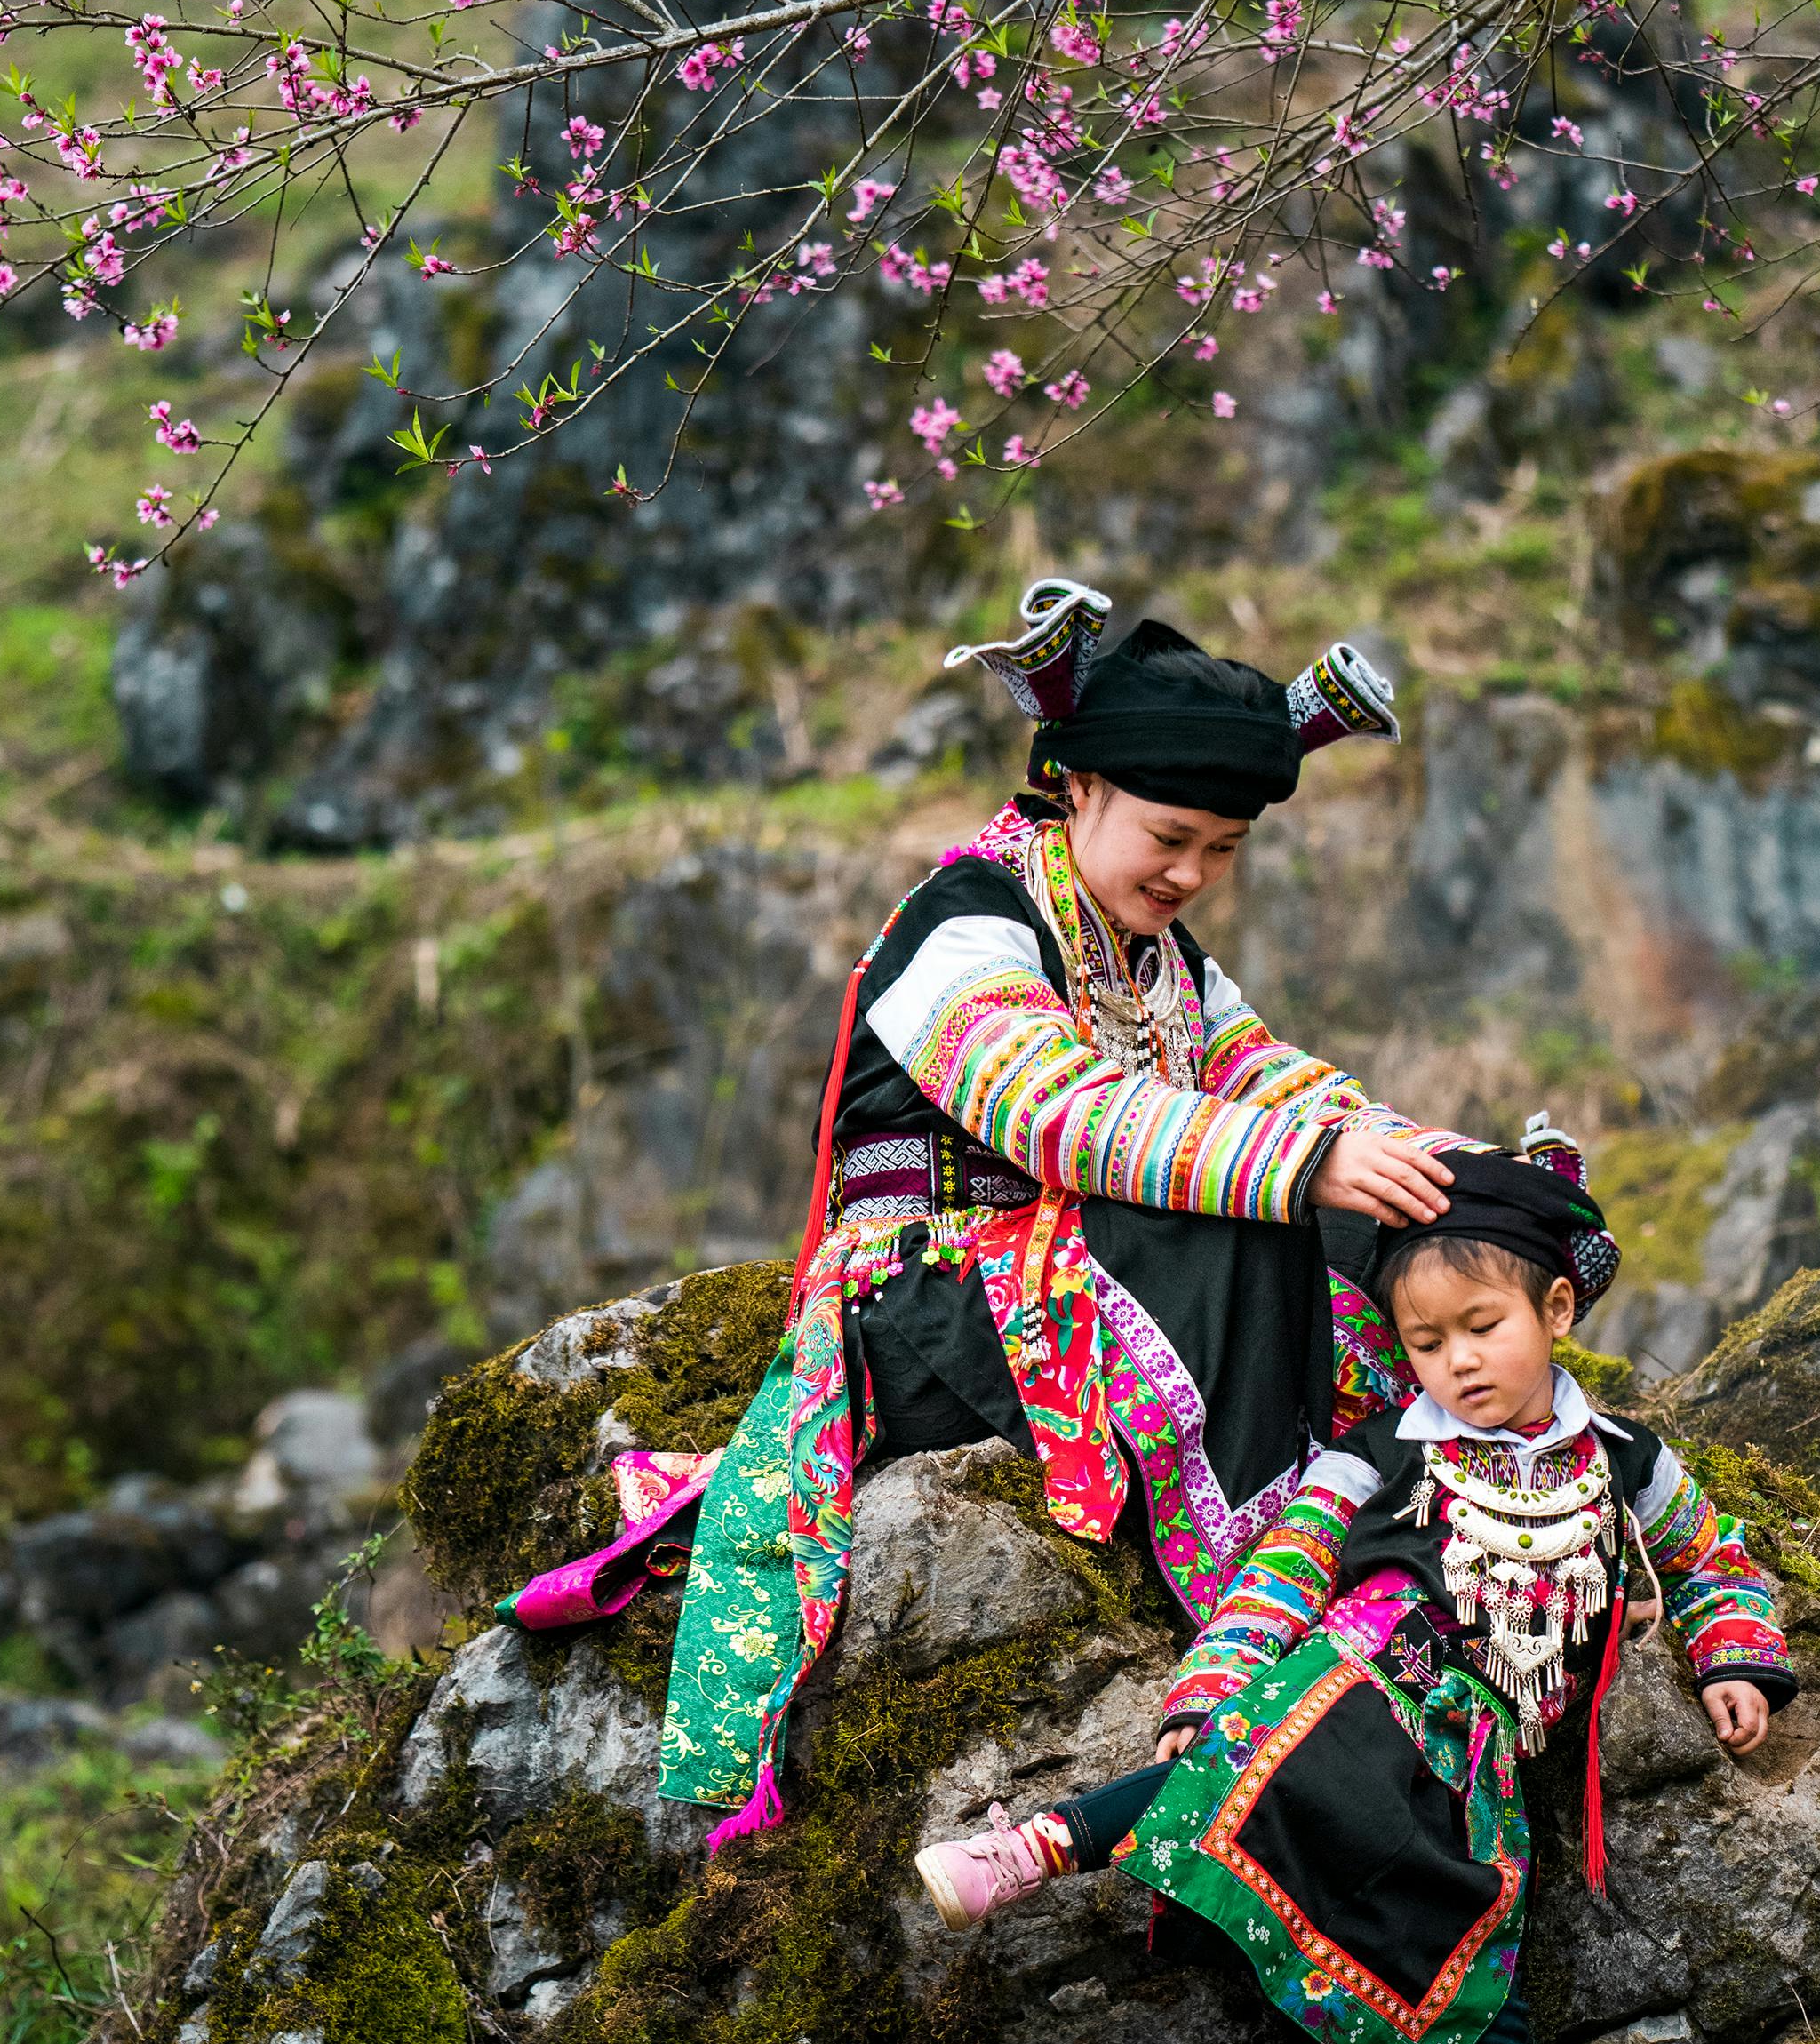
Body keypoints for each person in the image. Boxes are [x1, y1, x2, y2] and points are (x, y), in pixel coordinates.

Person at [507, 576, 1462, 1838]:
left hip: (1063, 1284)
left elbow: (1269, 1080)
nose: (1191, 873)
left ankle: (1400, 1496)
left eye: (1222, 852)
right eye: (1169, 837)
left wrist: (1434, 1164)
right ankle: (1254, 1592)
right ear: (1077, 789)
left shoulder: (1158, 956)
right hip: (927, 1314)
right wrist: (1303, 1164)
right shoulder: (964, 922)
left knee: (1367, 1206)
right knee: (1249, 1203)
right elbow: (1057, 1112)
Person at [909, 1139, 1795, 2044]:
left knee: (1482, 1959)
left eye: (1484, 1326)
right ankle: (1038, 1846)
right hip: (1366, 1675)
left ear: (1557, 1307)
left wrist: (1733, 1657)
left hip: (1486, 1762)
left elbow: (1714, 1556)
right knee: (1237, 1761)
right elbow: (1284, 1564)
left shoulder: (1625, 1458)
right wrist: (1220, 1677)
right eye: (1427, 1343)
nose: (1459, 1362)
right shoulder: (1375, 1456)